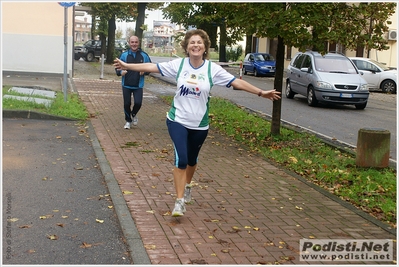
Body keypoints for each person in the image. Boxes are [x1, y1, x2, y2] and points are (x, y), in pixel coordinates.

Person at [114, 29, 281, 217]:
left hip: (200, 125)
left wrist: (261, 92)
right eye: (192, 42)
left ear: (205, 48)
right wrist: (126, 65)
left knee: (192, 160)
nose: (196, 45)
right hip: (177, 120)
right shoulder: (179, 65)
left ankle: (187, 186)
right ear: (187, 47)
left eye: (199, 43)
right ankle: (179, 202)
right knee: (182, 159)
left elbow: (236, 82)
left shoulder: (212, 69)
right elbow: (151, 67)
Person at [116, 36, 151, 129]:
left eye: (136, 42)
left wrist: (145, 72)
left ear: (138, 43)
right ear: (129, 43)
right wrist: (120, 72)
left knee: (138, 103)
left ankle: (133, 114)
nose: (134, 44)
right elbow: (117, 68)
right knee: (127, 104)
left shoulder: (144, 55)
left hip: (138, 85)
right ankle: (128, 121)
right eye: (132, 42)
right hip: (126, 84)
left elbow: (150, 67)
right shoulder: (124, 55)